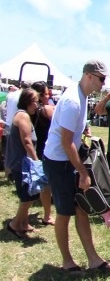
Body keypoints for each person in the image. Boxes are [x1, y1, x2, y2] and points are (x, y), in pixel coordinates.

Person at [42, 60, 110, 274]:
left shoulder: (81, 97)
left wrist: (85, 132)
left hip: (67, 159)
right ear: (89, 76)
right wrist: (83, 173)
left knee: (81, 208)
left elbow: (73, 134)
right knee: (65, 213)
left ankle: (93, 259)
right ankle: (67, 262)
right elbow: (66, 143)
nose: (104, 83)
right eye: (102, 79)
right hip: (59, 162)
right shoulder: (73, 101)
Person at [6, 88, 41, 238]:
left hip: (23, 162)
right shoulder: (23, 116)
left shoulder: (24, 115)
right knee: (28, 196)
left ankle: (24, 223)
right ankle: (14, 224)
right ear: (28, 102)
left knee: (30, 194)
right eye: (35, 102)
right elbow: (27, 142)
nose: (37, 105)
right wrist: (36, 161)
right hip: (21, 163)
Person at [29, 81, 55, 224]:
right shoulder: (46, 109)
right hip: (45, 148)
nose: (48, 95)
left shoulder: (29, 110)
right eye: (46, 93)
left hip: (34, 147)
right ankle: (47, 215)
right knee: (46, 185)